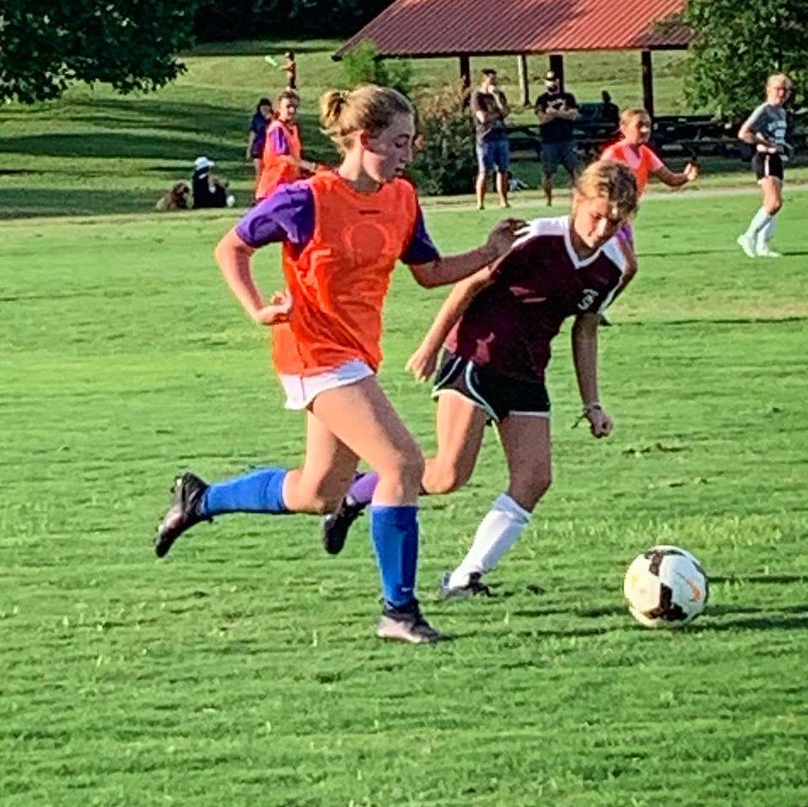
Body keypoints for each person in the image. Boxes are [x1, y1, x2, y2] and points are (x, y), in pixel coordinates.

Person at [152, 84, 523, 644]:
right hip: (312, 352)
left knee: (319, 492)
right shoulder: (306, 199)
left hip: (355, 355)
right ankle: (399, 611)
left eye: (411, 142)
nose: (408, 153)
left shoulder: (401, 199)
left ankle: (201, 500)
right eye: (399, 142)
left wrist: (487, 253)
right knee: (400, 464)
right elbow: (231, 247)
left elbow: (427, 271)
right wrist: (256, 309)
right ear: (364, 138)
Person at [320, 160, 640, 603]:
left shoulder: (616, 266)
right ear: (576, 201)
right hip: (475, 356)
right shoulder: (533, 239)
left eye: (616, 220)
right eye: (596, 214)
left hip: (528, 371)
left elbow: (585, 328)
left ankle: (465, 577)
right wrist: (430, 347)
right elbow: (467, 286)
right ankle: (357, 493)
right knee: (449, 475)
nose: (604, 227)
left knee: (535, 478)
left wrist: (593, 403)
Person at [598, 108, 698, 294]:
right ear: (624, 128)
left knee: (625, 270)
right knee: (627, 267)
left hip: (624, 219)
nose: (645, 130)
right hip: (607, 219)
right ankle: (595, 306)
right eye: (639, 125)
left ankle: (597, 305)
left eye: (648, 126)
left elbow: (669, 179)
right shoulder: (614, 154)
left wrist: (686, 177)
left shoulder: (645, 153)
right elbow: (596, 183)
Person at [736, 73, 793, 258]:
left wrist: (784, 147)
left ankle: (762, 245)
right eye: (778, 88)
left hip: (776, 159)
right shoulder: (764, 110)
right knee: (774, 202)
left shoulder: (782, 112)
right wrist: (769, 146)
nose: (782, 93)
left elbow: (777, 137)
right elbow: (744, 133)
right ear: (769, 90)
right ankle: (748, 236)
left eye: (785, 89)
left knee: (774, 205)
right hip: (765, 158)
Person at [255, 89, 313, 201]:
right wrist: (310, 166)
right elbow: (283, 155)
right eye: (288, 106)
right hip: (273, 189)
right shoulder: (277, 128)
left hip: (287, 188)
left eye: (295, 107)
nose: (292, 110)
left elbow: (296, 156)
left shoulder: (293, 129)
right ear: (279, 108)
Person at [534, 70, 580, 205]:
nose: (551, 82)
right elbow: (542, 119)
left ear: (558, 81)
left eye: (554, 79)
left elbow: (574, 115)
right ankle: (548, 200)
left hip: (567, 139)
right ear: (545, 82)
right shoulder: (541, 99)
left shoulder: (568, 97)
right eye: (549, 80)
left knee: (574, 170)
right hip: (549, 141)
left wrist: (555, 113)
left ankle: (577, 198)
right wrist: (562, 113)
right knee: (548, 172)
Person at [471, 68, 511, 210]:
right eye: (491, 80)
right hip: (486, 138)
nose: (494, 83)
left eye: (495, 80)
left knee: (503, 170)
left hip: (501, 137)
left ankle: (503, 201)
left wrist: (497, 99)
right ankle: (480, 202)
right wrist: (497, 114)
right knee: (484, 171)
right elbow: (483, 118)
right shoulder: (477, 97)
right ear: (484, 80)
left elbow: (506, 112)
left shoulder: (499, 95)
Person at [247, 98, 273, 185]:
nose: (265, 108)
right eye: (263, 106)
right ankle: (259, 192)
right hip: (258, 147)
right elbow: (253, 133)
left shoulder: (274, 118)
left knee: (269, 172)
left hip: (270, 148)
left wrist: (271, 119)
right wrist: (249, 149)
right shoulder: (256, 118)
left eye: (267, 106)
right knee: (259, 172)